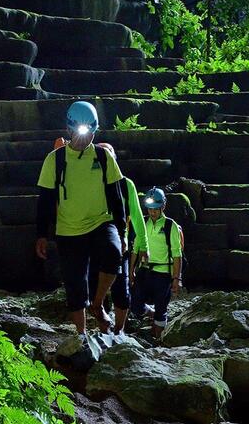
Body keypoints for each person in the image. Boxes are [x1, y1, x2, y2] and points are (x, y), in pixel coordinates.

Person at [34, 101, 126, 334]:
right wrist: (41, 235)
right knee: (75, 285)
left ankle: (97, 305)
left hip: (100, 222)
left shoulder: (104, 157)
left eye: (91, 132)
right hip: (69, 229)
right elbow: (45, 200)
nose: (85, 138)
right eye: (81, 132)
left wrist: (123, 233)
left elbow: (116, 198)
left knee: (113, 253)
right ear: (69, 129)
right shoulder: (55, 160)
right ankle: (81, 335)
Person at [95, 143, 148, 335]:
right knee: (95, 289)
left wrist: (144, 245)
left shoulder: (126, 184)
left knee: (121, 289)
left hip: (120, 245)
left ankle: (119, 330)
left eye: (109, 154)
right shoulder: (90, 183)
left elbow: (137, 216)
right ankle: (103, 329)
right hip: (95, 245)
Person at [130, 187, 183, 341]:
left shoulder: (169, 225)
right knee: (135, 305)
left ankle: (158, 340)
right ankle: (150, 314)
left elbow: (177, 254)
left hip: (163, 273)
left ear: (163, 207)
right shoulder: (143, 223)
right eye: (150, 209)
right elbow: (136, 249)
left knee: (161, 308)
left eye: (155, 209)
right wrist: (131, 271)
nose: (152, 212)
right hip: (145, 270)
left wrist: (176, 279)